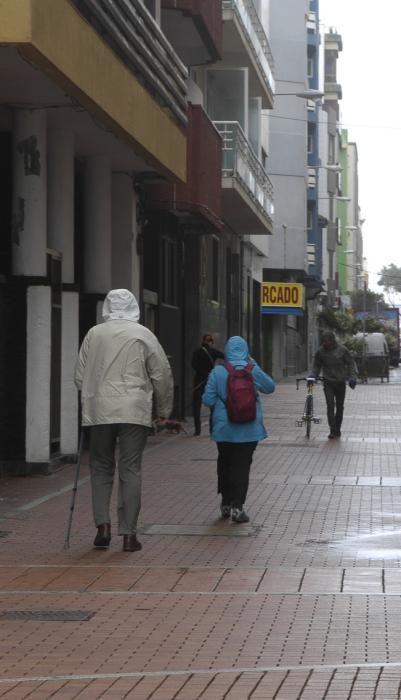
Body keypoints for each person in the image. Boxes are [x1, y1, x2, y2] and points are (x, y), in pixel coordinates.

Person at [74, 289, 173, 552]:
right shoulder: (143, 334)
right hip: (133, 409)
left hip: (99, 410)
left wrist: (92, 397)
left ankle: (102, 526)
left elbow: (79, 376)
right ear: (134, 307)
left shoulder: (94, 334)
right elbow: (161, 373)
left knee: (101, 466)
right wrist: (163, 409)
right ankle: (129, 534)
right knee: (131, 469)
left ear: (107, 307)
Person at [202, 336, 275, 523]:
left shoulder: (218, 371)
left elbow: (207, 400)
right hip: (249, 429)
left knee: (225, 463)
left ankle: (225, 504)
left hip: (224, 430)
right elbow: (270, 387)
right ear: (246, 350)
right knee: (242, 467)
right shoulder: (252, 370)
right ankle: (237, 507)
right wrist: (254, 364)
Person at [311, 330, 357, 439]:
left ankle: (338, 428)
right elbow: (316, 365)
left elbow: (351, 363)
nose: (325, 343)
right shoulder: (320, 352)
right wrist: (313, 375)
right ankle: (332, 429)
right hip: (328, 382)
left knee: (340, 406)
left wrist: (352, 377)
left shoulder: (342, 350)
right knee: (330, 404)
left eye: (327, 341)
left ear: (332, 340)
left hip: (340, 382)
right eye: (324, 341)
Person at [191, 334, 224, 436]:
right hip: (210, 381)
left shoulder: (197, 352)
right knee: (212, 405)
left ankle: (197, 430)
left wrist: (201, 372)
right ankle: (212, 429)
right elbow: (224, 356)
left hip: (198, 381)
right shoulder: (213, 352)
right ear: (211, 342)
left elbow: (193, 364)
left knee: (196, 405)